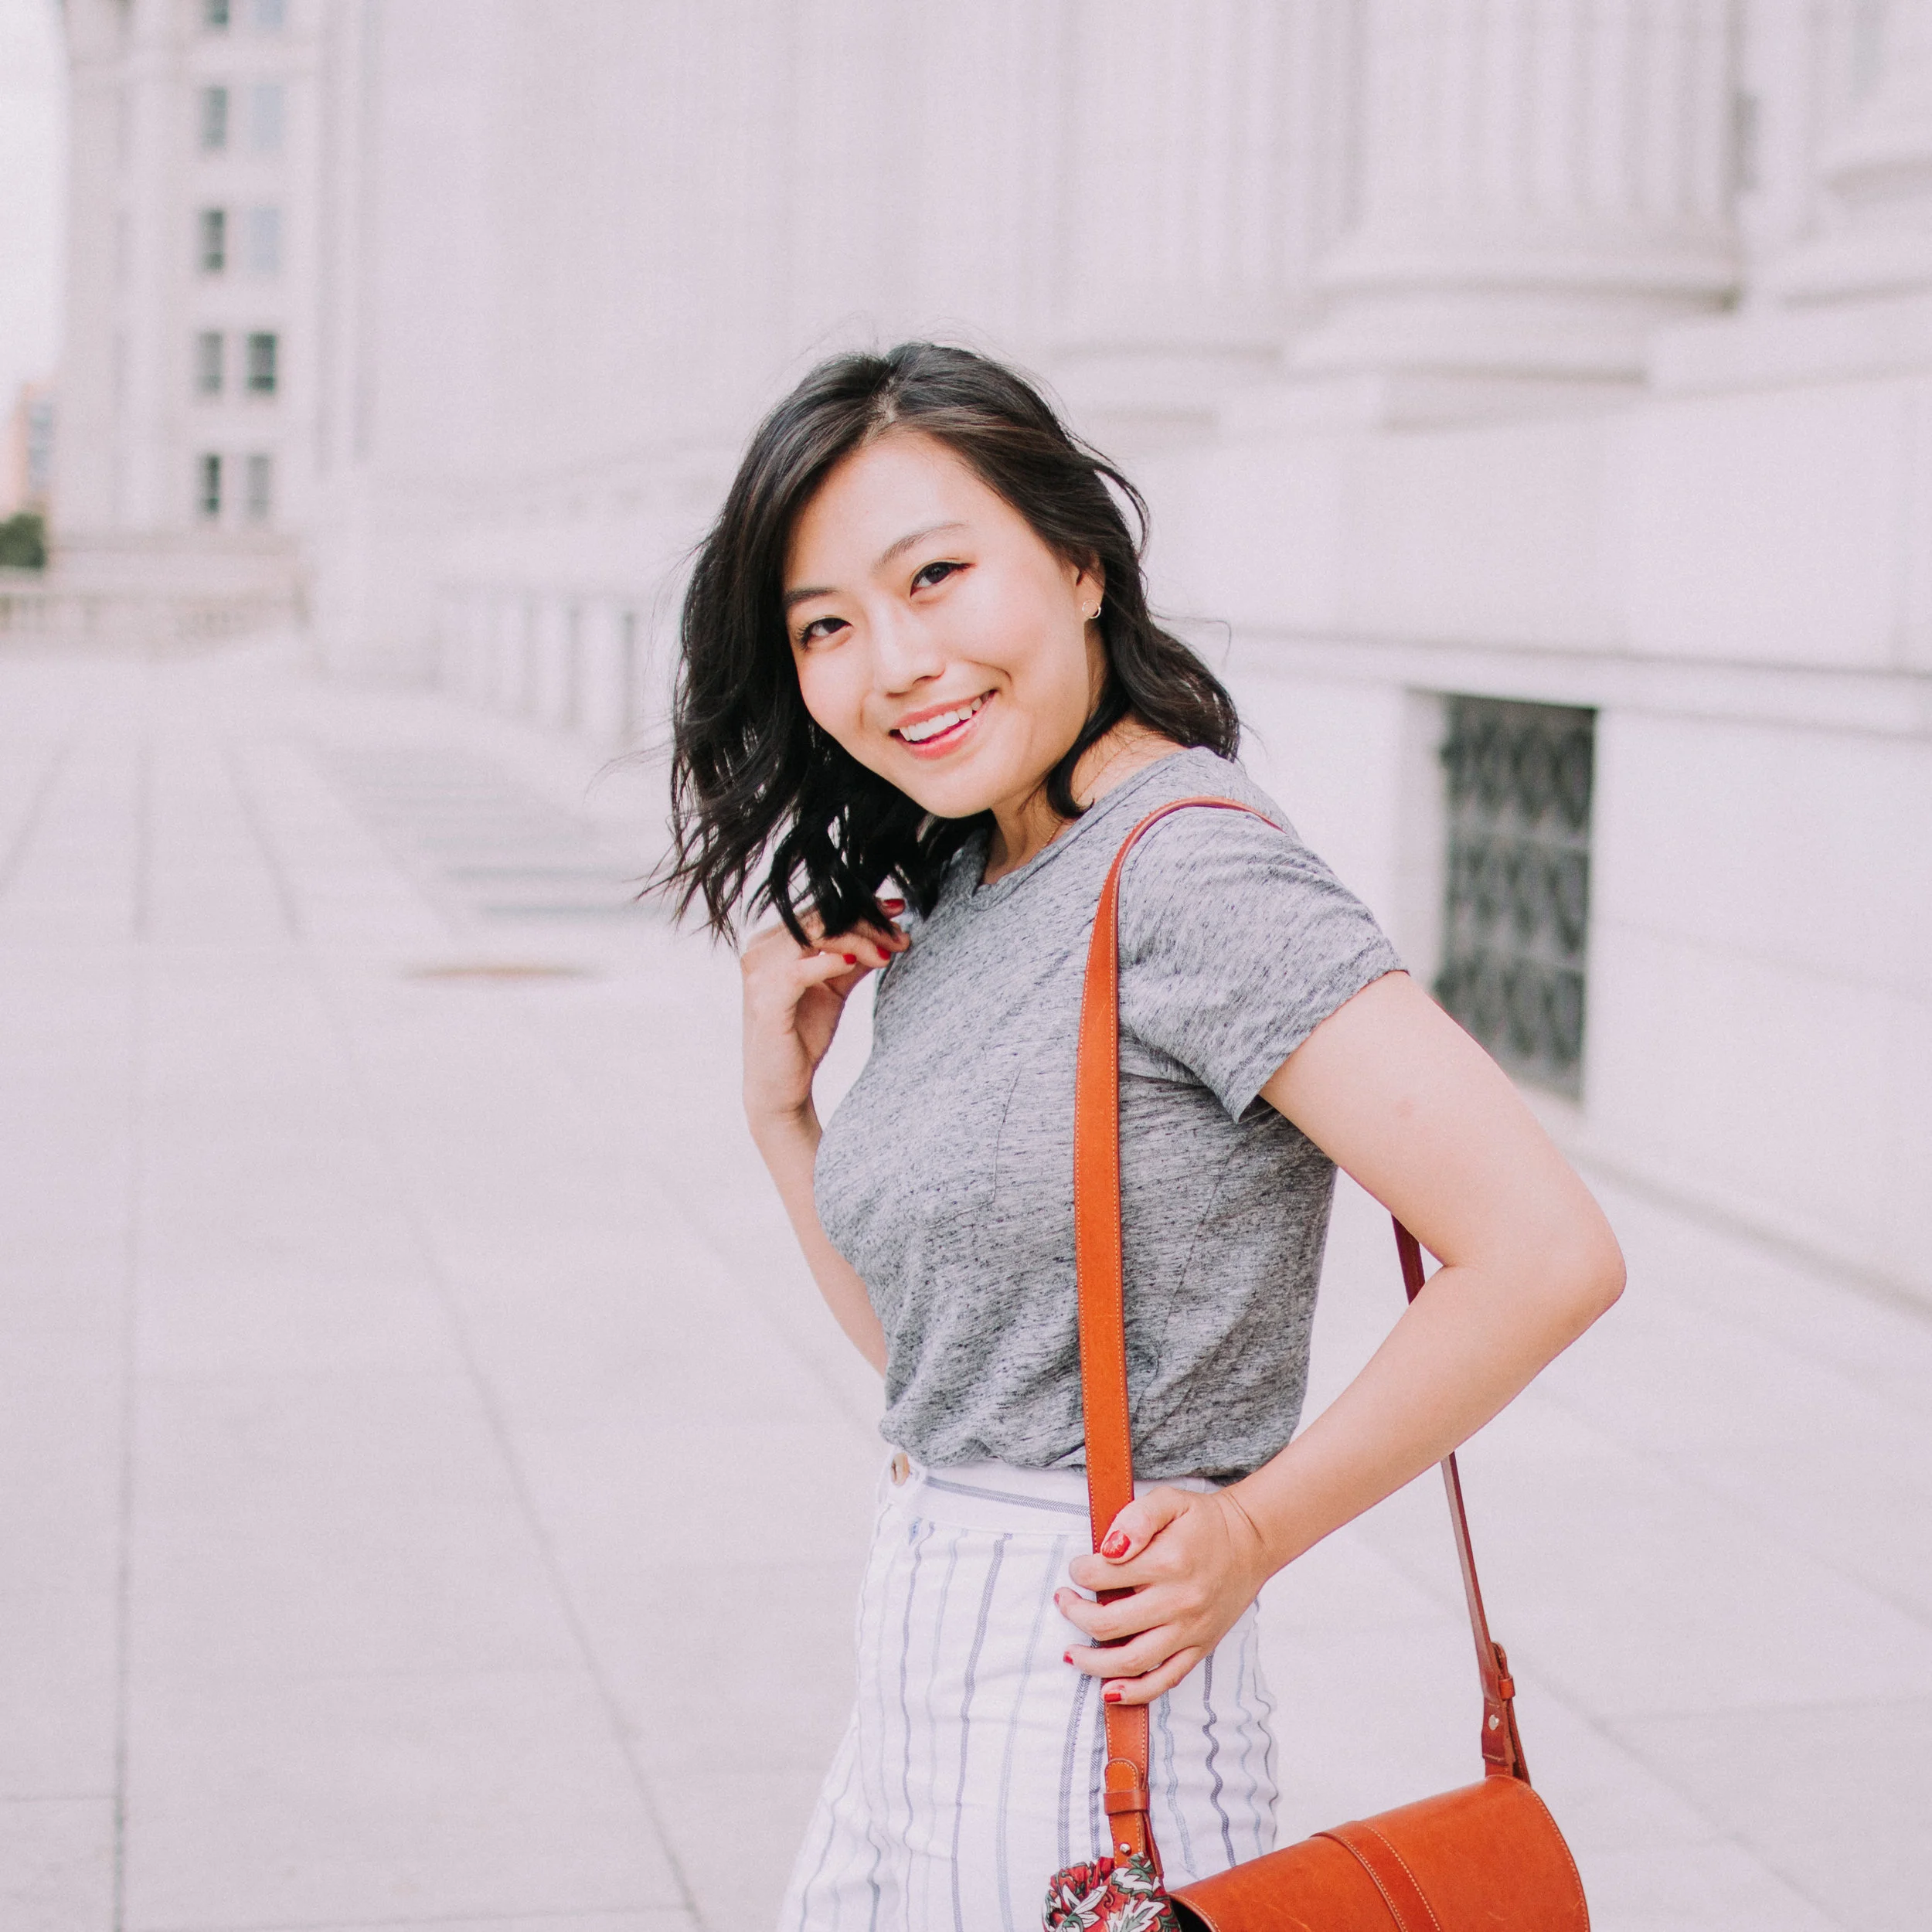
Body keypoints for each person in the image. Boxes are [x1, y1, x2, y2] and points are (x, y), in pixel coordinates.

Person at [659, 342, 1624, 1930]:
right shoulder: (972, 881)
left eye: (936, 575)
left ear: (1080, 561)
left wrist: (1250, 1528)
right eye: (822, 624)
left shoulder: (1185, 875)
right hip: (915, 1668)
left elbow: (1543, 1250)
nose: (891, 660)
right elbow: (944, 1369)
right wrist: (782, 1119)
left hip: (1082, 1701)